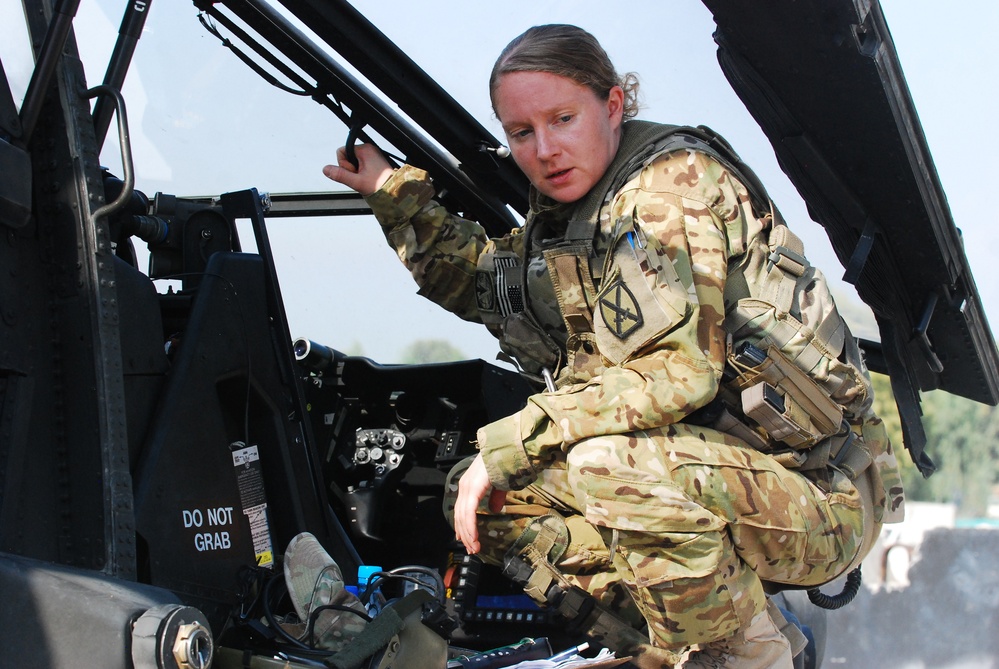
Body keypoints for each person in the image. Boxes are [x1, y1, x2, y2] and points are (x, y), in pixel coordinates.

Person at [322, 24, 904, 668]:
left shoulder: (668, 191)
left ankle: (739, 653)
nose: (544, 149)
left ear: (614, 105)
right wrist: (392, 195)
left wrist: (513, 439)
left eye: (563, 119)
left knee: (606, 463)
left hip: (819, 494)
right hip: (716, 478)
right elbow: (491, 288)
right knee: (489, 497)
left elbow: (678, 374)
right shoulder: (575, 216)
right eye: (521, 133)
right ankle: (684, 644)